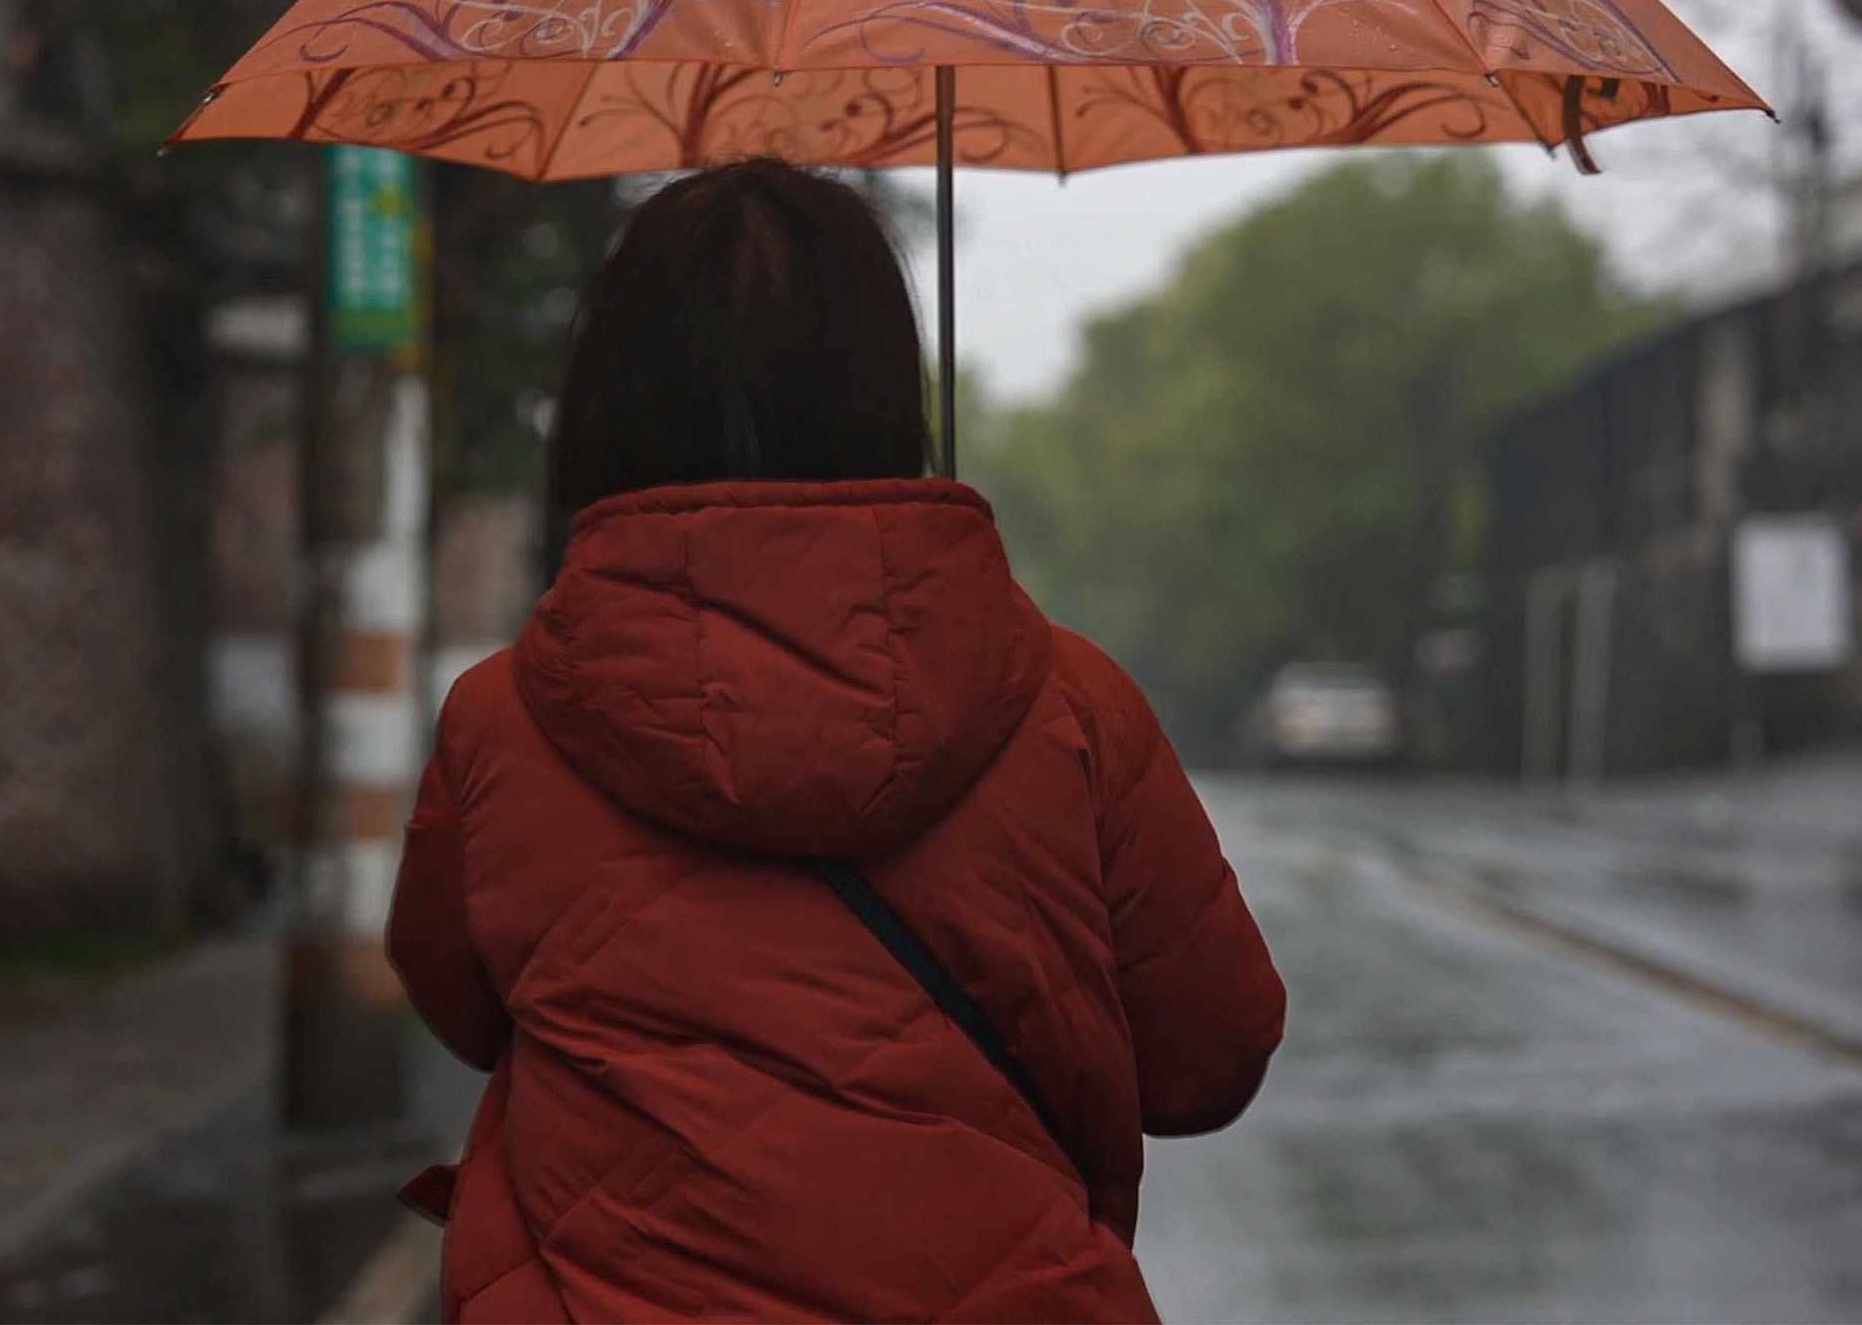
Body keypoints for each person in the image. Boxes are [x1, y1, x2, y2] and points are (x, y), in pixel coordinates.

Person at [388, 159, 1286, 1323]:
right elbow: (1211, 1057)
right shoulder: (1071, 707)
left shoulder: (502, 725)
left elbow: (462, 1008)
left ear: (604, 397)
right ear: (884, 387)